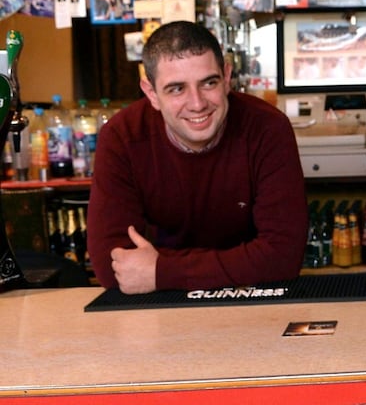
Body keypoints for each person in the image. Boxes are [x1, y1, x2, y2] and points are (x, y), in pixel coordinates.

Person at [87, 21, 308, 294]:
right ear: (151, 93)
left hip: (250, 303)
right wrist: (243, 261)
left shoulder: (267, 128)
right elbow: (114, 266)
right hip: (158, 312)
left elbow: (283, 257)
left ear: (227, 77)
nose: (197, 103)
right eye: (177, 89)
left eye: (209, 83)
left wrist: (161, 270)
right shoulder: (121, 137)